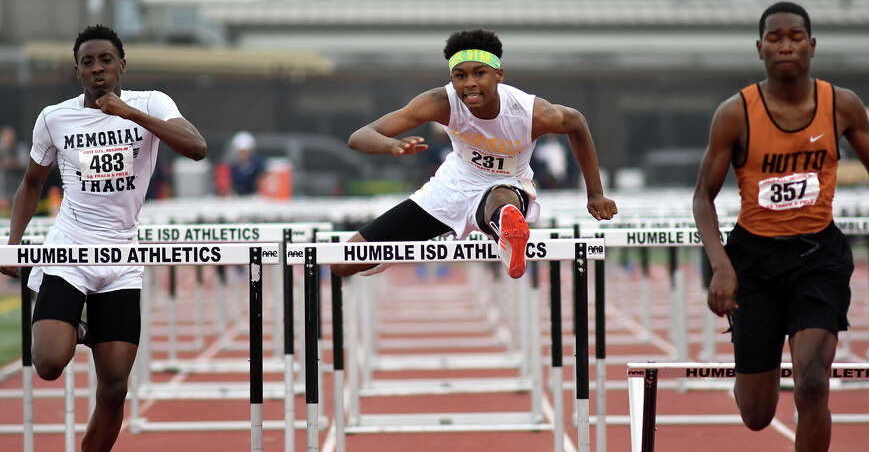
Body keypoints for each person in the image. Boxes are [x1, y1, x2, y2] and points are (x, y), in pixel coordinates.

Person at [692, 2, 869, 452]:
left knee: (813, 383)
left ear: (812, 46)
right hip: (753, 259)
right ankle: (751, 358)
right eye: (775, 38)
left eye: (795, 37)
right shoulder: (735, 114)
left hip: (818, 256)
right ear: (760, 49)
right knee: (757, 413)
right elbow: (703, 199)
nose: (786, 45)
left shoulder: (842, 106)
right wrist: (722, 266)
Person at [1, 24, 207, 452]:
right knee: (49, 363)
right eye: (89, 63)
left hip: (122, 259)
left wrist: (130, 114)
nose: (98, 70)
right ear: (77, 70)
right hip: (70, 251)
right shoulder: (54, 118)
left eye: (106, 60)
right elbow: (32, 183)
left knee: (114, 388)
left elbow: (197, 148)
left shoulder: (153, 103)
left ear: (122, 66)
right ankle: (75, 324)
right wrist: (13, 248)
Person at [332, 29, 617, 279]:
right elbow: (359, 137)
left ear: (498, 75)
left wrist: (594, 193)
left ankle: (507, 231)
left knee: (501, 200)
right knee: (341, 263)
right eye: (460, 76)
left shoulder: (530, 112)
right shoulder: (440, 102)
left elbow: (577, 122)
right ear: (452, 80)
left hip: (506, 186)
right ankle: (425, 237)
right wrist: (391, 146)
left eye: (479, 74)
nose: (469, 83)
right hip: (449, 189)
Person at [227, 130, 266, 195]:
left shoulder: (258, 165)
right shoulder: (233, 166)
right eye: (241, 152)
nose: (243, 155)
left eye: (245, 152)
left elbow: (262, 181)